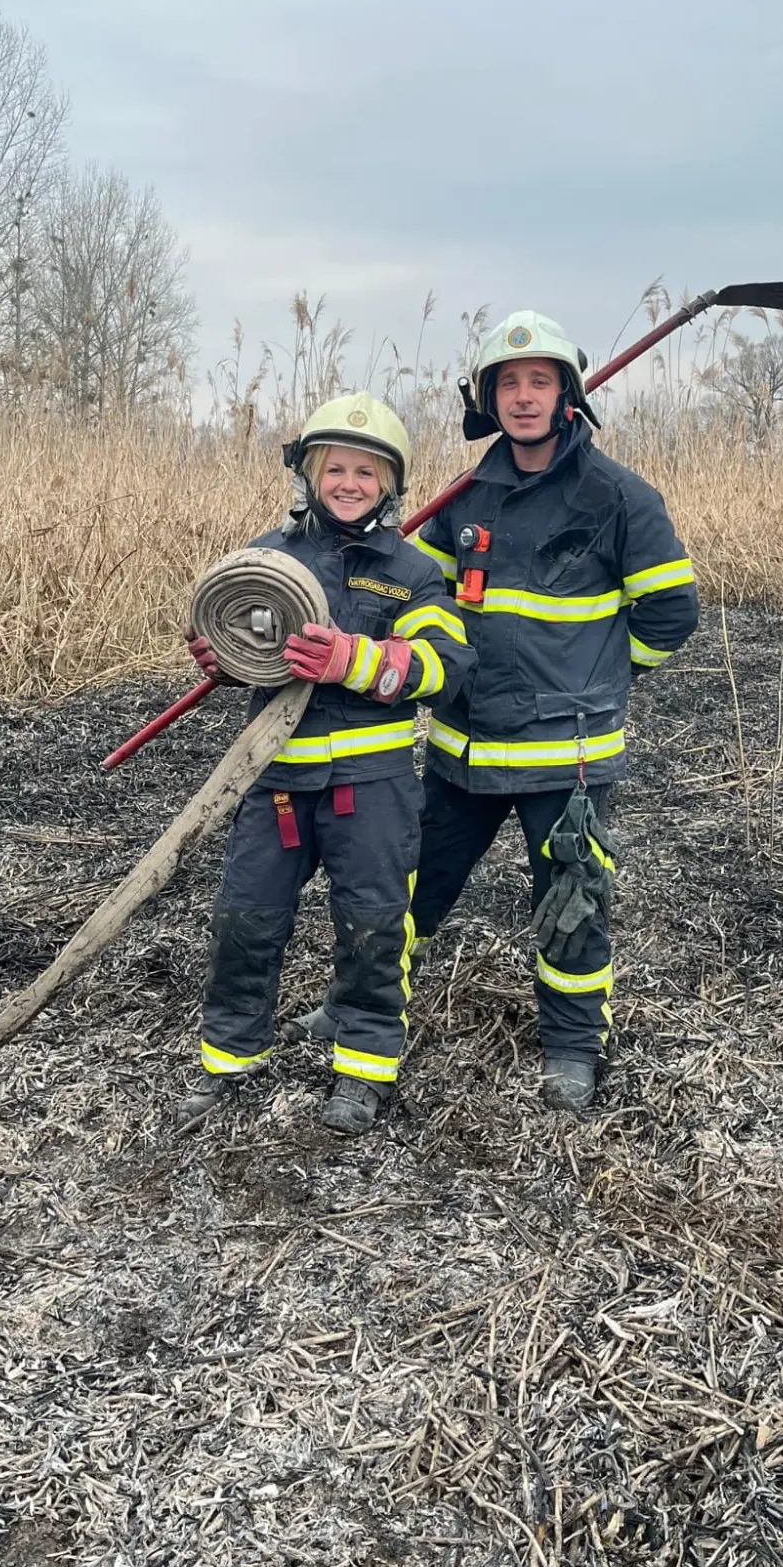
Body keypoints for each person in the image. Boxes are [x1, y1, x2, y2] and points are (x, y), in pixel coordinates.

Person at [293, 314, 699, 1112]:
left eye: (538, 381)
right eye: (507, 383)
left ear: (567, 393)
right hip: (461, 749)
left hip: (567, 759)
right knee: (405, 893)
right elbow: (422, 602)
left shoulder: (619, 498)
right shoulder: (460, 498)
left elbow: (670, 615)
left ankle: (574, 1053)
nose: (522, 397)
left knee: (572, 906)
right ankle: (357, 1008)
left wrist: (603, 678)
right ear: (487, 399)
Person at [177, 395, 473, 1136]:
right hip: (274, 785)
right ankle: (228, 1064)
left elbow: (446, 666)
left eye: (365, 471)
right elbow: (245, 639)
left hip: (370, 793)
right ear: (310, 475)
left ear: (390, 483)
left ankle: (363, 1073)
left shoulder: (412, 572)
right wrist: (224, 659)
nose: (349, 482)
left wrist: (356, 659)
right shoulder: (268, 557)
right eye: (335, 467)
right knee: (246, 920)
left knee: (373, 928)